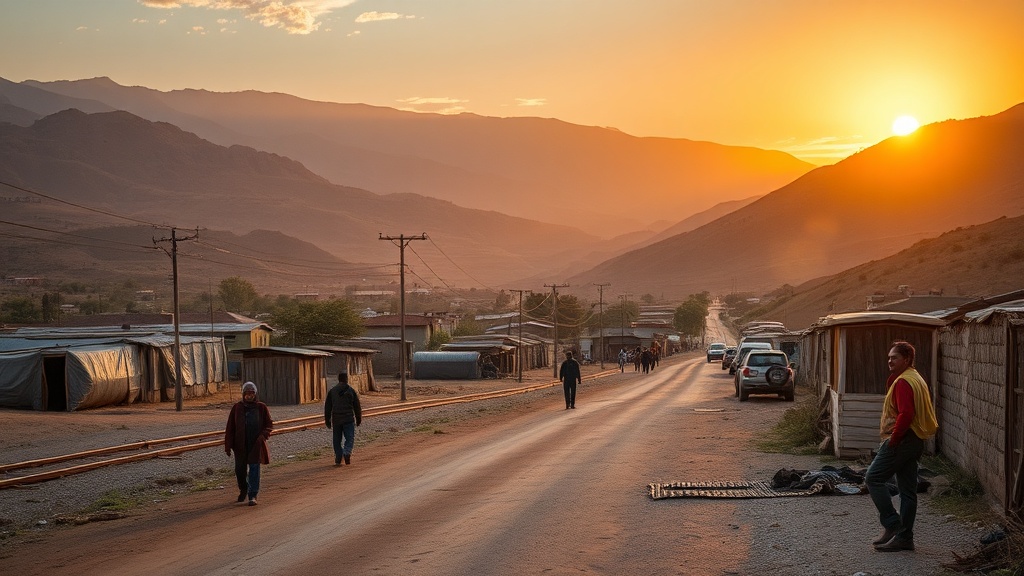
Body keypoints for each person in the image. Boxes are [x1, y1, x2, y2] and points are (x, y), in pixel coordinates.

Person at [865, 341, 939, 552]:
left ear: (906, 359)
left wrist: (894, 440)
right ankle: (904, 538)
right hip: (915, 440)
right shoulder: (915, 378)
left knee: (873, 477)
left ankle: (893, 525)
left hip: (903, 439)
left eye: (894, 357)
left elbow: (906, 414)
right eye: (889, 357)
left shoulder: (904, 382)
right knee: (907, 490)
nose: (890, 360)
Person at [224, 381, 273, 506]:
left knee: (254, 470)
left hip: (255, 444)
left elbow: (269, 425)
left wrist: (262, 437)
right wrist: (228, 445)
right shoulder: (237, 408)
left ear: (255, 394)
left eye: (251, 394)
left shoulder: (261, 407)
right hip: (240, 445)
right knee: (240, 470)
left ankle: (253, 495)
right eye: (247, 394)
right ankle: (244, 489)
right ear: (243, 394)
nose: (249, 396)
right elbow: (230, 428)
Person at [325, 372, 362, 466]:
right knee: (349, 438)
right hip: (348, 418)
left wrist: (327, 420)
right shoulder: (351, 391)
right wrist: (358, 418)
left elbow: (328, 407)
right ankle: (347, 452)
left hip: (336, 418)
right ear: (346, 379)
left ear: (338, 379)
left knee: (336, 439)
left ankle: (338, 457)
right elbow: (357, 406)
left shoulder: (332, 391)